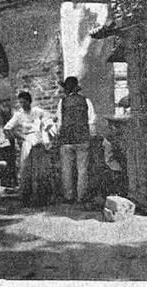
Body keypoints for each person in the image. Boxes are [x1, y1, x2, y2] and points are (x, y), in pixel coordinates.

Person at [3, 91, 55, 206]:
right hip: (27, 141)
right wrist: (20, 137)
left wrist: (46, 130)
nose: (22, 104)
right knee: (26, 169)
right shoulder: (19, 114)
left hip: (38, 140)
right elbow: (7, 129)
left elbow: (49, 120)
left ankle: (42, 197)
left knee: (40, 169)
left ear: (29, 101)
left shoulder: (37, 111)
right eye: (20, 102)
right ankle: (27, 197)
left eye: (24, 102)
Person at [56, 76, 97, 206]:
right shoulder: (86, 101)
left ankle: (69, 196)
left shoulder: (62, 103)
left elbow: (59, 124)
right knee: (82, 169)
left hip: (67, 139)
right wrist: (91, 136)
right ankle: (81, 196)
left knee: (66, 169)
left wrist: (59, 136)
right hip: (83, 138)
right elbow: (91, 122)